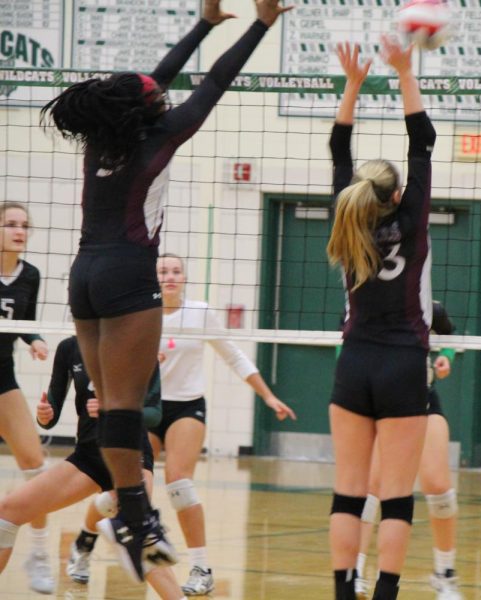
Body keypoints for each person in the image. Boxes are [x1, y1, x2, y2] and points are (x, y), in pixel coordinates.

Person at [38, 0, 292, 582]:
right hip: (129, 276)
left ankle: (132, 514)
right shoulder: (163, 135)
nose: (162, 91)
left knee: (115, 408)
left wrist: (202, 23)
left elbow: (157, 78)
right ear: (146, 107)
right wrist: (262, 24)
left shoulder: (104, 137)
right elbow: (215, 83)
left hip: (84, 277)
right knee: (124, 408)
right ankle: (135, 517)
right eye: (154, 92)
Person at [326, 39, 436, 600]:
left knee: (348, 493)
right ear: (397, 194)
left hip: (355, 361)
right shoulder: (412, 217)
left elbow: (338, 147)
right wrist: (404, 72)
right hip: (402, 363)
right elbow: (424, 140)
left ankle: (344, 593)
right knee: (395, 496)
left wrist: (352, 85)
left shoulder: (345, 219)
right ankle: (386, 593)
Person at [152, 252, 295, 595]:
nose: (169, 276)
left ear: (184, 277)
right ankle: (105, 545)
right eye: (162, 271)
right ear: (152, 278)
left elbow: (233, 354)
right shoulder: (141, 312)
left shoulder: (199, 312)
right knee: (130, 486)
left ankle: (200, 567)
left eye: (176, 271)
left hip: (186, 406)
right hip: (146, 406)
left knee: (178, 482)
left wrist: (267, 396)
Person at [0, 335, 185, 599]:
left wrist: (112, 409)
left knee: (138, 534)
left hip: (129, 455)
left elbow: (153, 413)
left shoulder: (138, 341)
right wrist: (45, 414)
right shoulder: (70, 348)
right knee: (7, 512)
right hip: (88, 456)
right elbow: (52, 406)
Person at [353, 302, 462, 600]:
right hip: (378, 402)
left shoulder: (430, 308)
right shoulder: (362, 302)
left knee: (439, 485)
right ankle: (357, 572)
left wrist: (446, 359)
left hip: (422, 398)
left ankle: (444, 574)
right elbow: (343, 350)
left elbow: (450, 338)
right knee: (372, 486)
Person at [0, 201, 53, 593]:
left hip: (3, 377)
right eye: (10, 224)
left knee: (35, 466)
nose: (19, 231)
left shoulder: (30, 275)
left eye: (24, 225)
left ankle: (38, 554)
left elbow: (24, 322)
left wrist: (35, 340)